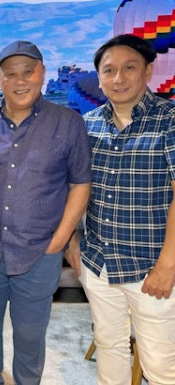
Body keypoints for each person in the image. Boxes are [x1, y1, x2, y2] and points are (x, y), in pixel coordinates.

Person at [0, 40, 92, 385]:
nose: (20, 81)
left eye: (28, 72)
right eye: (10, 74)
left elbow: (80, 184)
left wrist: (60, 240)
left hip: (40, 252)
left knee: (29, 337)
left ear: (42, 73)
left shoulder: (68, 123)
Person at [65, 34, 175, 385]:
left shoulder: (169, 121)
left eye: (129, 68)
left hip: (151, 269)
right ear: (98, 78)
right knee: (110, 347)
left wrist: (167, 265)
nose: (118, 78)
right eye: (109, 70)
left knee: (160, 366)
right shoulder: (88, 124)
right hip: (98, 263)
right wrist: (71, 241)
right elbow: (75, 189)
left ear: (148, 72)